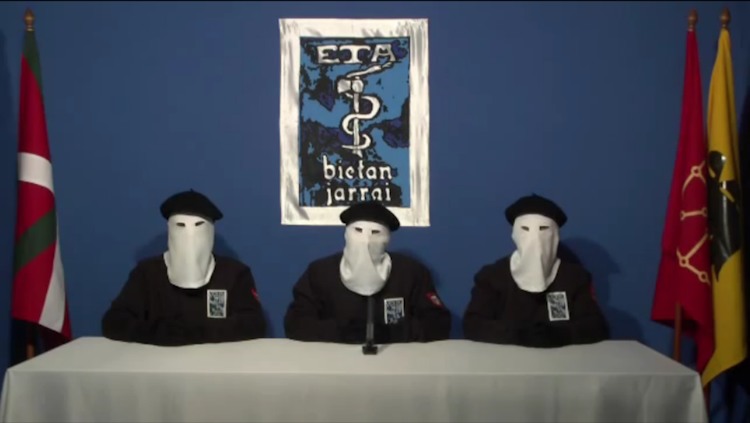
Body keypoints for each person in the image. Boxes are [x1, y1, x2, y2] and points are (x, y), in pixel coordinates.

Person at [101, 189, 267, 346]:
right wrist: (159, 332)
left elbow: (254, 323)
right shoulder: (147, 273)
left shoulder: (234, 274)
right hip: (158, 361)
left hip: (216, 362)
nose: (189, 235)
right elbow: (114, 321)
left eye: (198, 225)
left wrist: (199, 332)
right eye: (180, 225)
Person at [284, 200, 451, 344]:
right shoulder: (320, 272)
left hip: (396, 362)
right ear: (346, 234)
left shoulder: (410, 272)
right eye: (358, 230)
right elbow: (296, 323)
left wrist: (392, 333)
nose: (366, 240)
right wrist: (341, 332)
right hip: (334, 362)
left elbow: (438, 323)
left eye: (376, 233)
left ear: (387, 239)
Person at [463, 194, 609, 348]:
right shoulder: (493, 276)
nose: (535, 239)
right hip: (506, 359)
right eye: (525, 229)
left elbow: (596, 326)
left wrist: (562, 335)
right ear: (515, 234)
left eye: (543, 229)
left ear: (555, 235)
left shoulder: (574, 277)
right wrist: (517, 335)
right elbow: (473, 324)